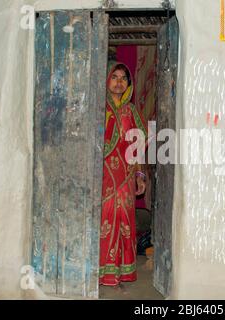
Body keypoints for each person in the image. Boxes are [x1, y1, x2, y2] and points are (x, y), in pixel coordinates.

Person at [100, 62, 148, 287]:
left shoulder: (131, 111)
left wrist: (140, 174)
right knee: (105, 219)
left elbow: (138, 145)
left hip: (127, 176)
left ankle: (123, 271)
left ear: (128, 84)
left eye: (123, 78)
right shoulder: (100, 108)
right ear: (107, 80)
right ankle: (102, 272)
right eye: (114, 77)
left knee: (125, 221)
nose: (119, 82)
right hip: (104, 173)